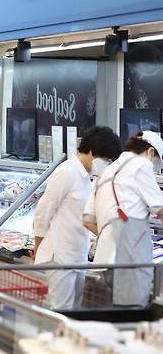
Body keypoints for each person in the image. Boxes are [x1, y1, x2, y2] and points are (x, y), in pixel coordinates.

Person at [33, 126, 122, 310]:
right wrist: (38, 247)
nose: (106, 163)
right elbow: (43, 212)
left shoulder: (89, 178)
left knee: (74, 311)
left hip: (77, 257)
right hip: (59, 257)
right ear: (91, 151)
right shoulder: (66, 172)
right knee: (60, 312)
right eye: (105, 159)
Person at [83, 131, 163, 308]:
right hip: (129, 262)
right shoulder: (141, 165)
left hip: (102, 261)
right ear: (150, 152)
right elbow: (159, 208)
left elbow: (87, 220)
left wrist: (111, 234)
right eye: (157, 162)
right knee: (129, 316)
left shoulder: (105, 172)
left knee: (106, 317)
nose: (154, 167)